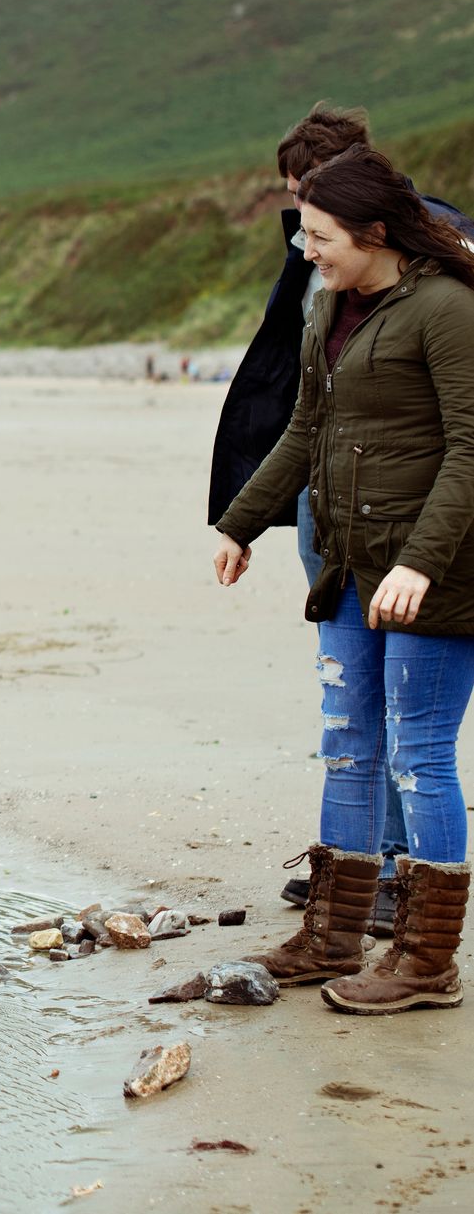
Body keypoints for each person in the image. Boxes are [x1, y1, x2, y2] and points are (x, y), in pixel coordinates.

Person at [213, 144, 473, 1015]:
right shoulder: (328, 307)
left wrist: (420, 561)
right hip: (349, 565)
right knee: (346, 742)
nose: (307, 250)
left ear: (372, 230)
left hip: (430, 572)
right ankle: (330, 933)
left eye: (319, 235)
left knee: (418, 754)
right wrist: (241, 522)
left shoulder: (445, 308)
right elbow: (303, 429)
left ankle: (426, 958)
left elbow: (471, 450)